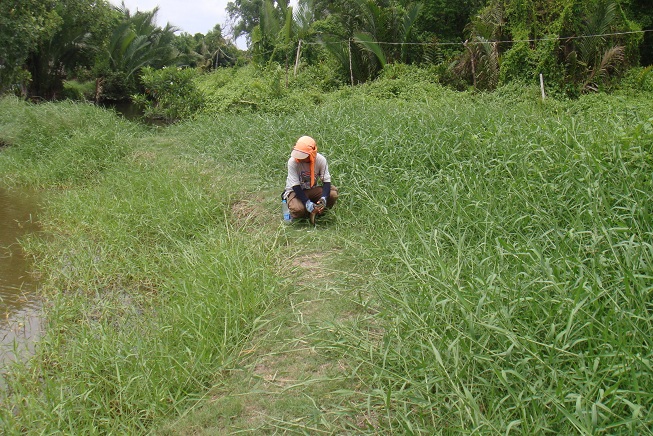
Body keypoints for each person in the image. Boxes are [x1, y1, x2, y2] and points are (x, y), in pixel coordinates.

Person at [283, 135, 338, 221]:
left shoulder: (321, 160)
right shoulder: (292, 162)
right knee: (298, 209)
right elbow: (295, 186)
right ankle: (297, 209)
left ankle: (318, 212)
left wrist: (323, 198)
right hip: (295, 191)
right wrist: (307, 203)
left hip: (311, 189)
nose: (299, 158)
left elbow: (327, 182)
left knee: (332, 194)